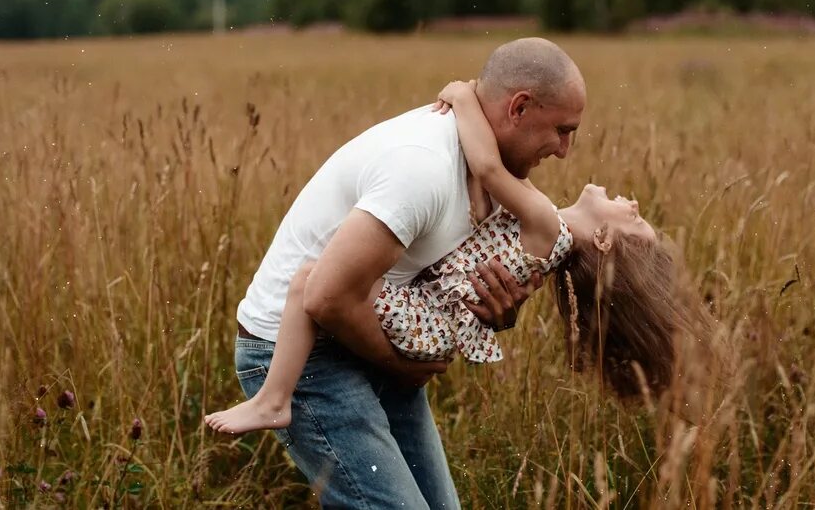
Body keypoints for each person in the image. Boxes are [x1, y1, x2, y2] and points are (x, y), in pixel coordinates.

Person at [207, 77, 685, 439]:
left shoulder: (545, 222)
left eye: (636, 221)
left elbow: (487, 167)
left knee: (316, 281)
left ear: (603, 239)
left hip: (427, 323)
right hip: (431, 321)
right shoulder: (540, 219)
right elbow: (485, 195)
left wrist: (462, 94)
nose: (635, 205)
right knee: (318, 281)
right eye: (561, 130)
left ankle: (274, 399)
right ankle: (274, 396)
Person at [226, 38, 586, 509]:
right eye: (562, 130)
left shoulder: (493, 168)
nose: (565, 150)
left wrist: (493, 310)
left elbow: (437, 283)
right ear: (519, 107)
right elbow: (325, 298)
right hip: (297, 351)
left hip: (363, 332)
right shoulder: (423, 168)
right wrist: (407, 368)